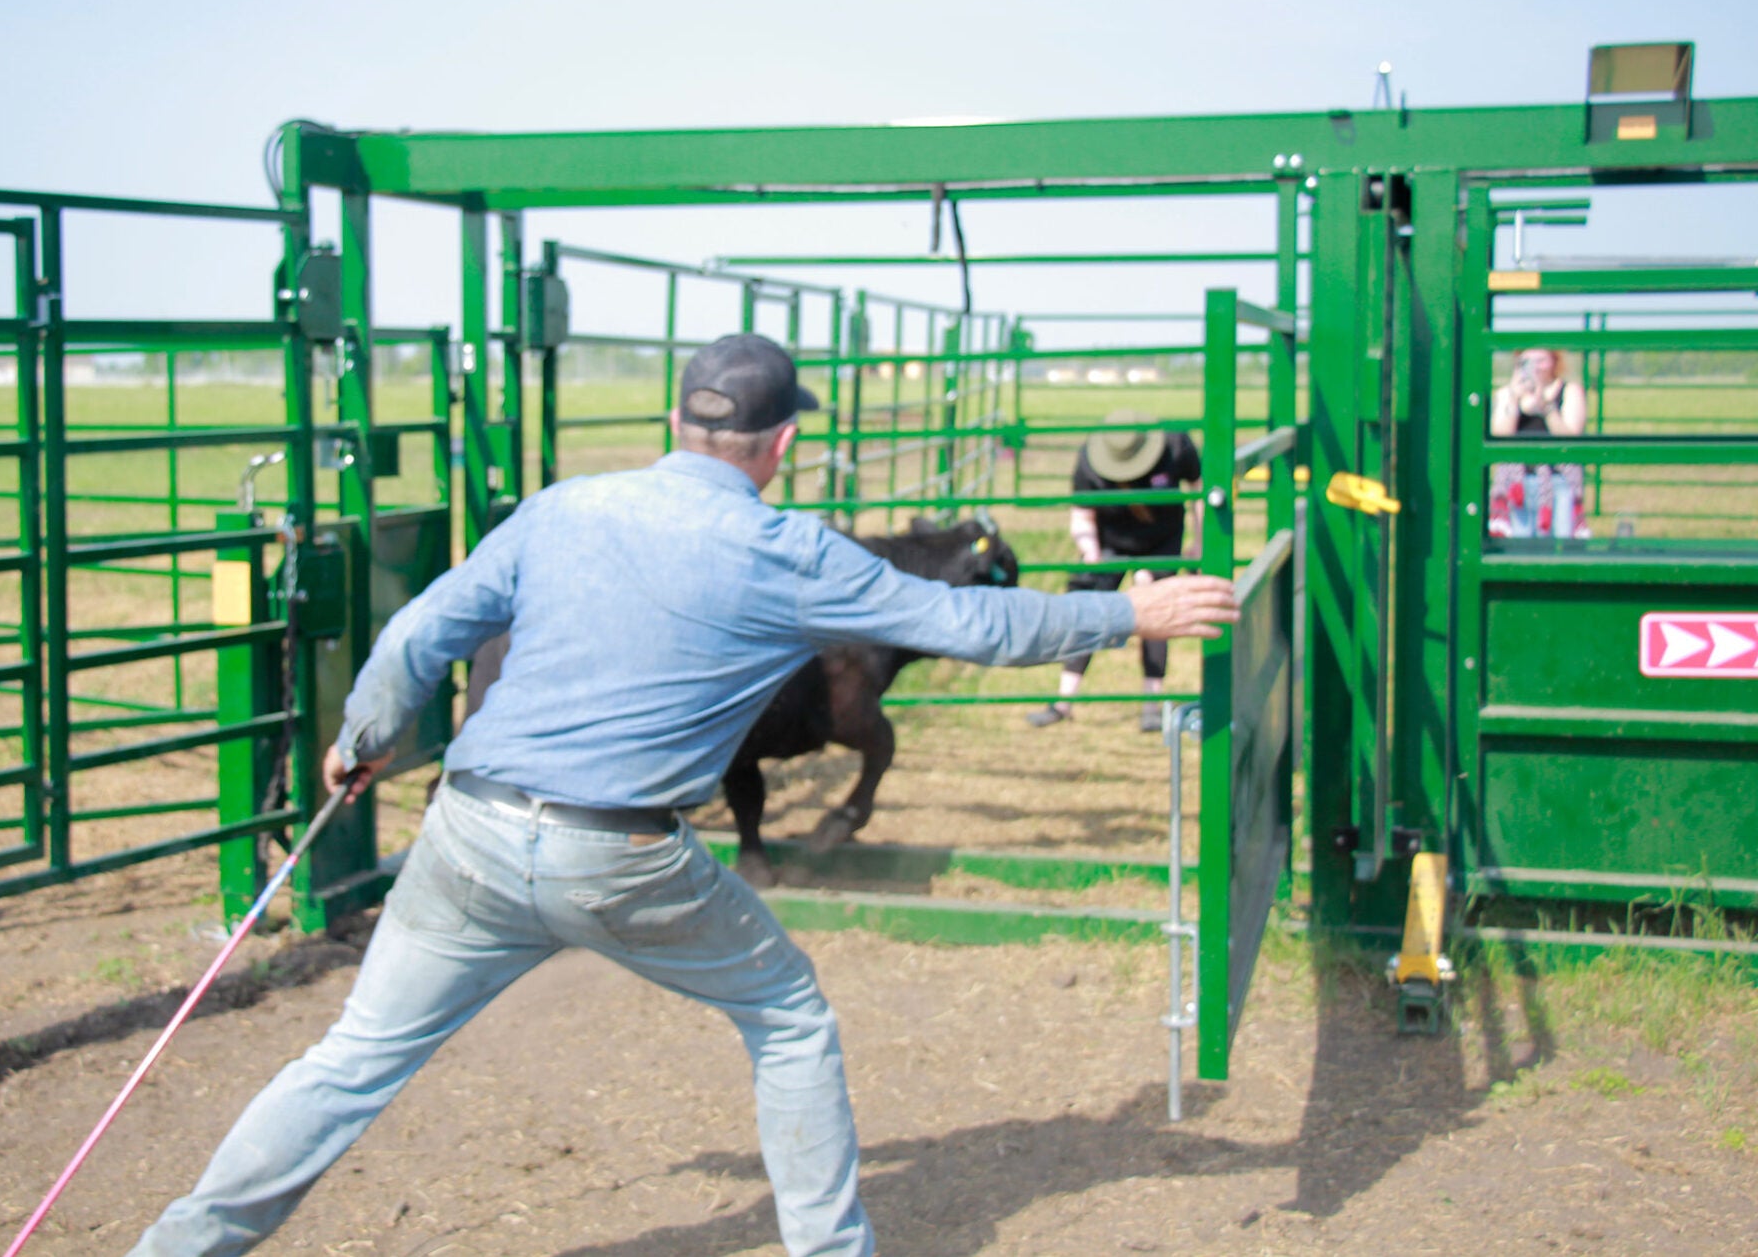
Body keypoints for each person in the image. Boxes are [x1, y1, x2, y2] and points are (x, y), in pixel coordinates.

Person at [128, 335, 1237, 1257]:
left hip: (465, 829)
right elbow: (969, 624)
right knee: (789, 1018)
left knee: (350, 1060)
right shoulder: (787, 549)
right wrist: (1119, 618)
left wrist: (362, 737)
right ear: (783, 443)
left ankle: (180, 1247)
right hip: (619, 854)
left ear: (677, 421)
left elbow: (422, 629)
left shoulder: (562, 508)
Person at [1027, 411, 1202, 733]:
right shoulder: (1089, 462)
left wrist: (1199, 540)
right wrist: (1091, 555)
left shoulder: (1176, 445)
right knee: (1091, 612)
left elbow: (1199, 487)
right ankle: (1063, 702)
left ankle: (1152, 705)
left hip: (1162, 536)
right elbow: (1081, 514)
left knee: (1155, 610)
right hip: (1111, 540)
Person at [1488, 346, 1589, 538]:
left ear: (1554, 361)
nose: (1535, 367)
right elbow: (1501, 435)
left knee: (1562, 541)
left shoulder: (1569, 390)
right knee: (1517, 542)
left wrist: (1547, 407)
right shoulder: (1506, 394)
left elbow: (1570, 437)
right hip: (1516, 482)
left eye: (1541, 360)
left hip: (1560, 481)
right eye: (1527, 362)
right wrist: (1514, 399)